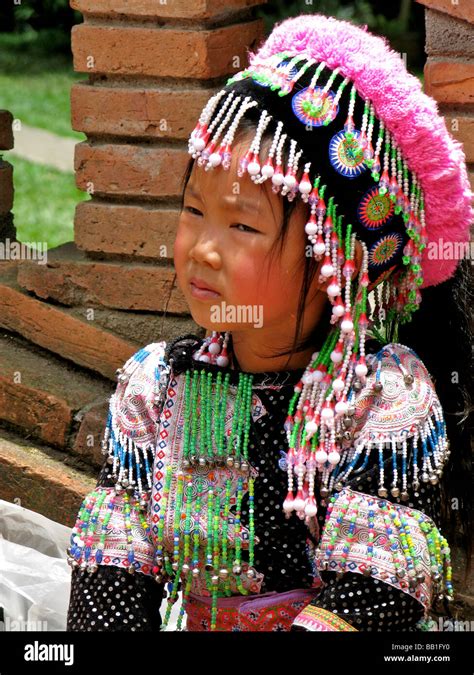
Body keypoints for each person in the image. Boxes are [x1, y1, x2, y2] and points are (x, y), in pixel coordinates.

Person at [66, 13, 472, 632]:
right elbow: (111, 583)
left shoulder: (381, 402)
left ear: (332, 256)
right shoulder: (160, 388)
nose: (201, 248)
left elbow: (372, 595)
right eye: (194, 210)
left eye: (243, 225)